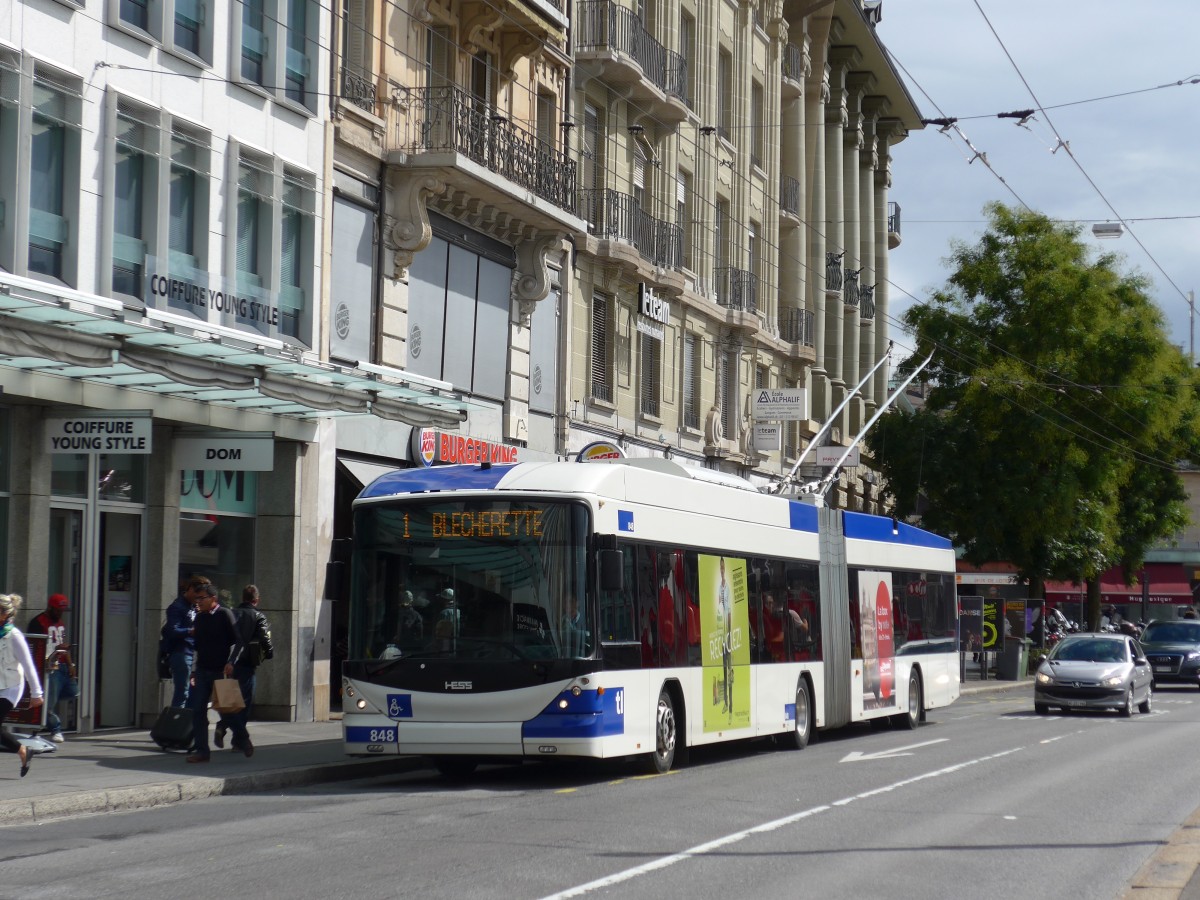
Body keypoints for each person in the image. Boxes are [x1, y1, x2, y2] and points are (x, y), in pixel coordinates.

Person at [187, 583, 247, 763]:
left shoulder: (225, 614)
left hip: (221, 670)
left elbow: (239, 641)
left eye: (202, 598)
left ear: (213, 599)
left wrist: (231, 662)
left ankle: (243, 738)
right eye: (197, 599)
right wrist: (193, 671)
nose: (198, 602)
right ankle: (202, 751)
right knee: (198, 711)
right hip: (203, 670)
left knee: (227, 711)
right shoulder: (199, 618)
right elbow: (196, 646)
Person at [214, 585, 274, 755]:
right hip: (247, 664)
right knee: (244, 704)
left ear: (243, 598)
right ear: (256, 600)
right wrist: (269, 653)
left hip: (229, 664)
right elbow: (264, 637)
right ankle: (238, 741)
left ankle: (224, 727)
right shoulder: (258, 615)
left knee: (228, 702)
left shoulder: (231, 613)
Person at [0, 593, 44, 777]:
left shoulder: (14, 636)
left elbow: (28, 665)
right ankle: (22, 751)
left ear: (4, 614)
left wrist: (36, 693)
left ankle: (23, 750)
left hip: (10, 688)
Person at [26, 593, 77, 742]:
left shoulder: (59, 622)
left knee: (73, 692)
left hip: (61, 664)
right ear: (50, 607)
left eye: (62, 610)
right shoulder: (38, 622)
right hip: (49, 666)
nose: (60, 613)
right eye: (57, 610)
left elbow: (62, 644)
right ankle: (55, 729)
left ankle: (45, 714)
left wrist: (70, 664)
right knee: (48, 702)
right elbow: (34, 645)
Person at [162, 576, 207, 708]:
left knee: (191, 693)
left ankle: (187, 725)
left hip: (191, 652)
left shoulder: (193, 607)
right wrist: (190, 631)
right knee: (182, 693)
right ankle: (176, 725)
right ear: (191, 589)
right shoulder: (177, 606)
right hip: (181, 653)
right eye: (198, 595)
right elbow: (172, 630)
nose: (199, 599)